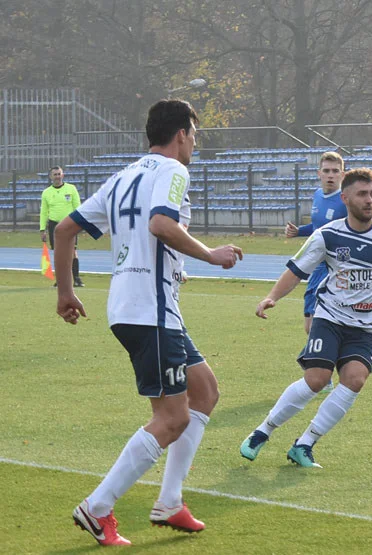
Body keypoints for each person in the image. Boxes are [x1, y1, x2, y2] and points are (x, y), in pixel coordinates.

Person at [54, 99, 244, 546]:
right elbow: (161, 224)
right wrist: (211, 255)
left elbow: (64, 230)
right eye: (194, 135)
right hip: (150, 309)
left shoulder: (122, 177)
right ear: (181, 134)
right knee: (173, 417)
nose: (194, 144)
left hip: (138, 308)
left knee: (205, 392)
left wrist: (65, 291)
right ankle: (97, 508)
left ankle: (170, 501)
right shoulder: (173, 171)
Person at [239, 168, 372, 468]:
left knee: (355, 379)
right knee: (317, 379)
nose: (369, 200)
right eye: (362, 194)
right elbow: (296, 270)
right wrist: (272, 296)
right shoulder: (327, 235)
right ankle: (263, 431)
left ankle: (305, 444)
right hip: (330, 318)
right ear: (346, 198)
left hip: (366, 326)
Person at [284, 151, 347, 334]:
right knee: (310, 324)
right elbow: (319, 227)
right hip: (316, 263)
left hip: (335, 266)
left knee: (313, 325)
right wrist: (299, 231)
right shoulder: (318, 194)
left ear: (342, 175)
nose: (330, 175)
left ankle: (362, 341)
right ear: (319, 173)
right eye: (326, 170)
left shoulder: (346, 201)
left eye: (335, 171)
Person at [40, 166, 84, 287]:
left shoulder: (71, 189)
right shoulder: (46, 193)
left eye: (59, 174)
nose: (57, 176)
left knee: (73, 251)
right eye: (55, 174)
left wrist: (79, 223)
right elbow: (44, 212)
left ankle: (76, 279)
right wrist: (42, 229)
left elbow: (77, 207)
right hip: (54, 225)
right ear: (50, 177)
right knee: (58, 253)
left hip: (70, 224)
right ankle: (61, 280)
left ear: (63, 175)